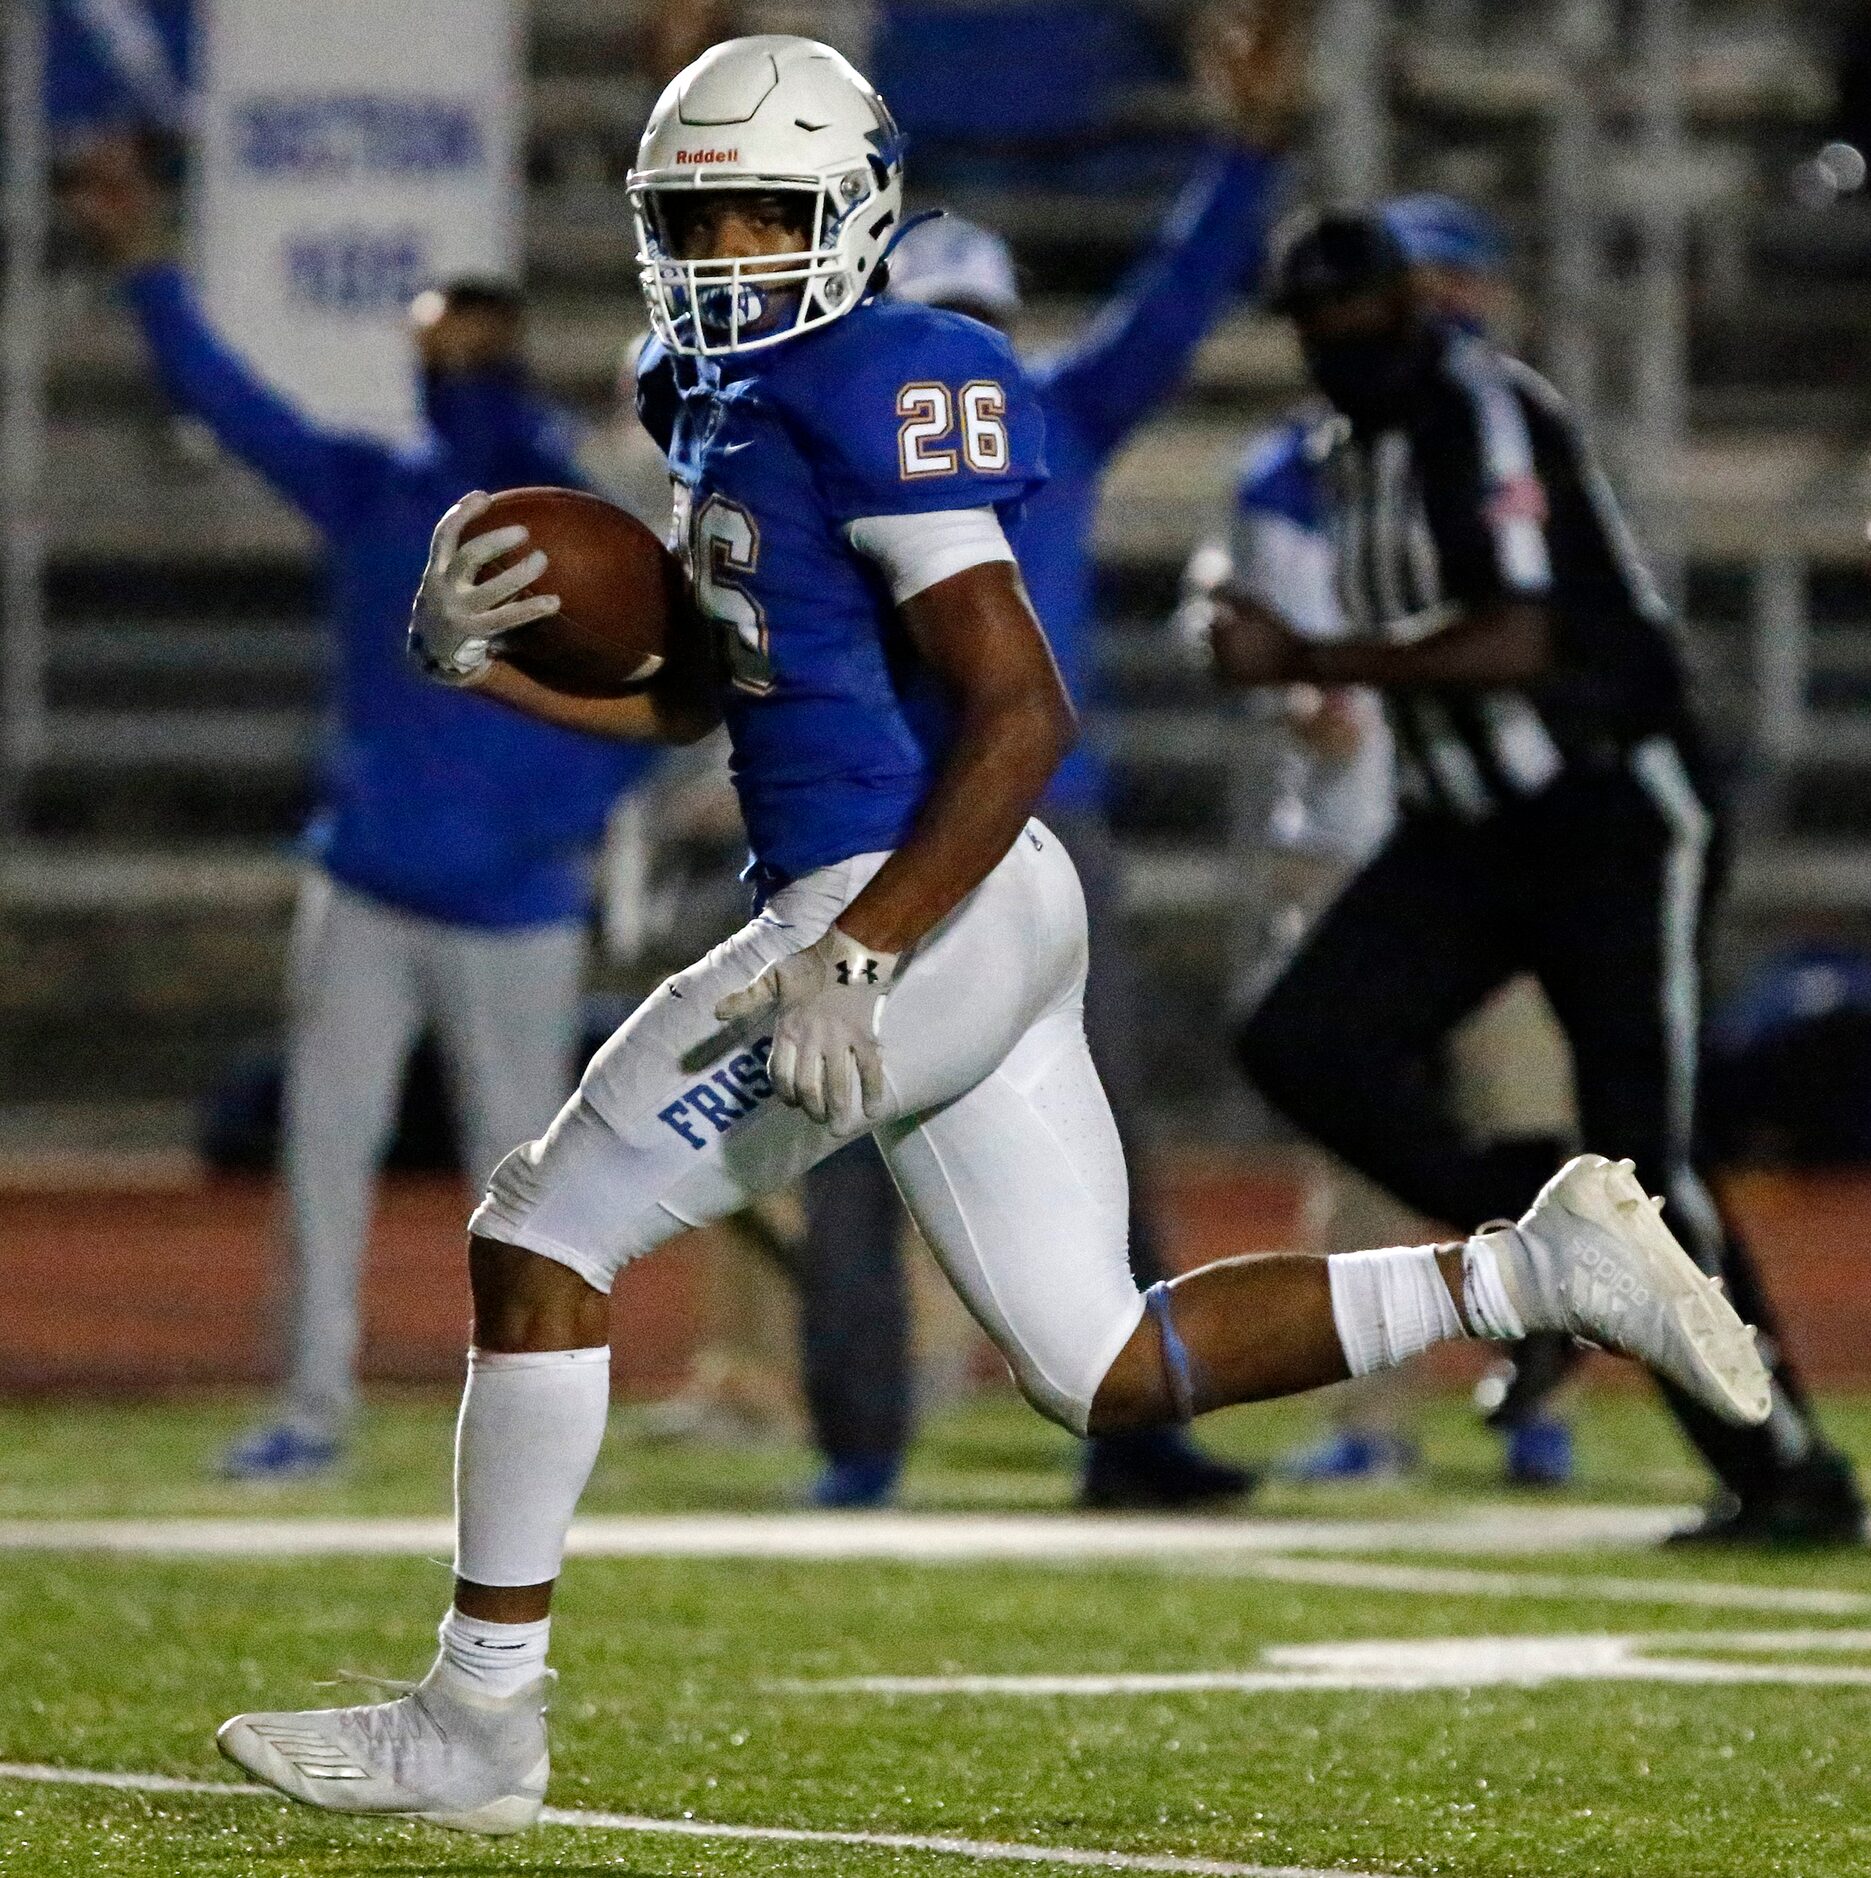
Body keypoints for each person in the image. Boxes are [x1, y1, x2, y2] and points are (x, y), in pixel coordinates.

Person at [214, 37, 1770, 1835]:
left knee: (539, 1230)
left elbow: (1022, 709)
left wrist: (863, 945)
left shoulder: (888, 375)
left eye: (758, 213)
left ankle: (478, 1720)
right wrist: (484, 669)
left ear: (855, 215)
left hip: (909, 895)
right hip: (963, 898)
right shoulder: (709, 394)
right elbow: (711, 703)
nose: (721, 250)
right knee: (1101, 1363)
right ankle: (1531, 1270)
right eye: (689, 217)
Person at [1215, 207, 1860, 1545]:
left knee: (1649, 1157)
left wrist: (1313, 661)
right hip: (1466, 824)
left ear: (1410, 306)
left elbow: (1520, 635)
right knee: (1302, 1039)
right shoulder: (1347, 450)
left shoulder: (1479, 409)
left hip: (1610, 812)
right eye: (1317, 329)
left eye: (1359, 317)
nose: (1342, 346)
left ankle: (1782, 1464)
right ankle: (1546, 1244)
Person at [63, 139, 659, 1479]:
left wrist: (558, 811)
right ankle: (315, 1402)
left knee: (533, 1182)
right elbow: (230, 402)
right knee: (326, 1158)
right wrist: (143, 268)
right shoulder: (380, 491)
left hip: (517, 901)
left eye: (469, 336)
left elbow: (669, 705)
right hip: (375, 882)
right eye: (435, 337)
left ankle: (546, 1415)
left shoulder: (583, 515)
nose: (450, 360)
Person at [788, 0, 1307, 1512]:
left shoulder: (1030, 415)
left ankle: (1128, 1420)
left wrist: (1247, 153)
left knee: (1095, 1136)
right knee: (842, 1127)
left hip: (1021, 821)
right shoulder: (906, 431)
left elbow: (1179, 290)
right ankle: (865, 1436)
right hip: (907, 824)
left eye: (982, 342)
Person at [1193, 194, 1581, 1489]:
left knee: (1535, 1125)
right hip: (1363, 847)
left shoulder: (1507, 437)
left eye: (1463, 283)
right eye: (1433, 284)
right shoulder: (1302, 470)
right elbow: (1281, 646)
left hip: (1500, 843)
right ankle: (1374, 1411)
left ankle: (1539, 1387)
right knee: (1366, 1145)